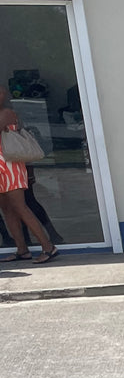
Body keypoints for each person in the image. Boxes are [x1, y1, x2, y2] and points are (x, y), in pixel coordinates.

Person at [0, 93, 58, 265]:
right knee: (7, 210)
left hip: (10, 165)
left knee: (20, 206)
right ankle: (22, 249)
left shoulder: (6, 113)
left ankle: (48, 247)